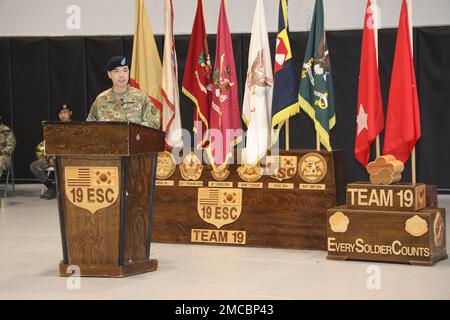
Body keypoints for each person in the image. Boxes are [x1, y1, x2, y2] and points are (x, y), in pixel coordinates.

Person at [87, 56, 161, 129]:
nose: (121, 75)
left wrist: (131, 128)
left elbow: (154, 124)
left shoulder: (141, 97)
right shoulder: (101, 100)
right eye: (117, 71)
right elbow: (90, 128)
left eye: (125, 70)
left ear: (128, 72)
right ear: (109, 74)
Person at [30, 104, 72, 199]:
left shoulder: (76, 129)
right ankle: (52, 187)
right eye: (60, 113)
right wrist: (50, 158)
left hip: (70, 159)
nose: (63, 115)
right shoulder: (54, 129)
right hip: (55, 158)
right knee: (34, 166)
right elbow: (49, 145)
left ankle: (64, 189)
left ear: (70, 113)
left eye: (65, 112)